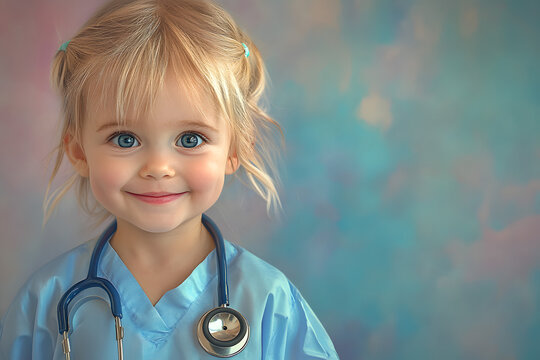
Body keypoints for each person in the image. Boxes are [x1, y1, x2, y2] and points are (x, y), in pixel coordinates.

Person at [0, 0, 339, 359]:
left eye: (190, 139)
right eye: (125, 139)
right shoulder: (45, 300)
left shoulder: (271, 301)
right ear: (79, 152)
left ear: (235, 149)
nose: (159, 167)